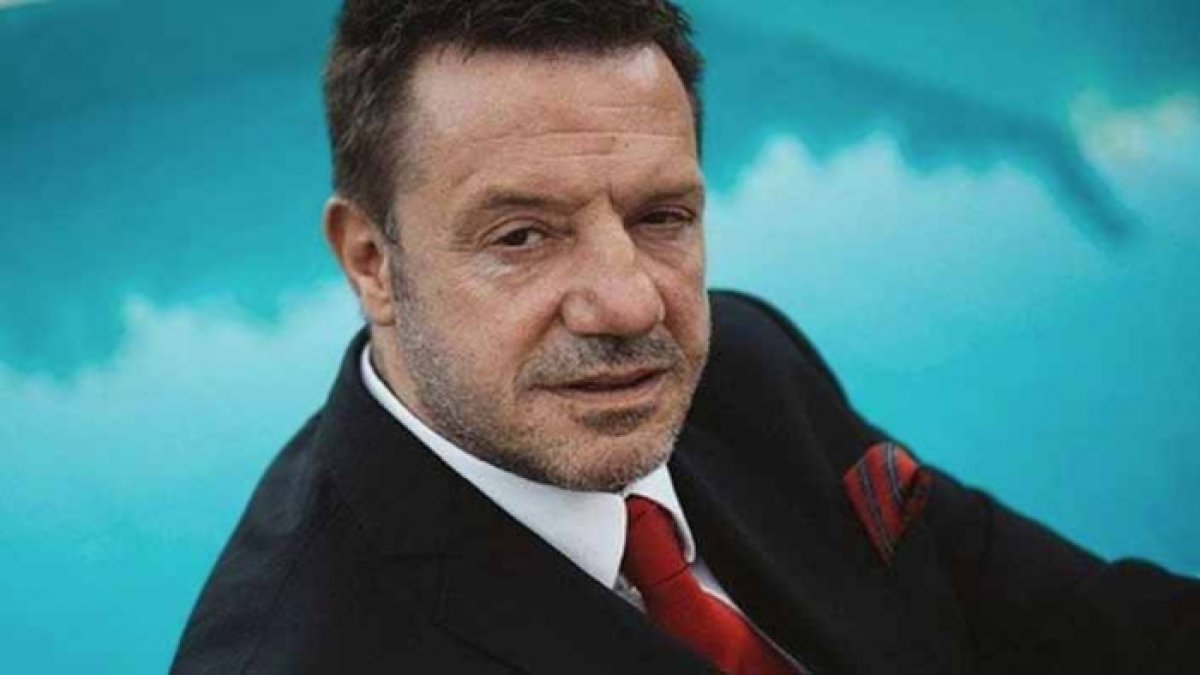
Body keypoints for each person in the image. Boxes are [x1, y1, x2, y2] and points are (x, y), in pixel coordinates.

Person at [171, 1, 1199, 673]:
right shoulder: (299, 650)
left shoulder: (748, 364)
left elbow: (1052, 610)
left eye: (662, 216)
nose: (629, 306)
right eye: (522, 235)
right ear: (370, 261)